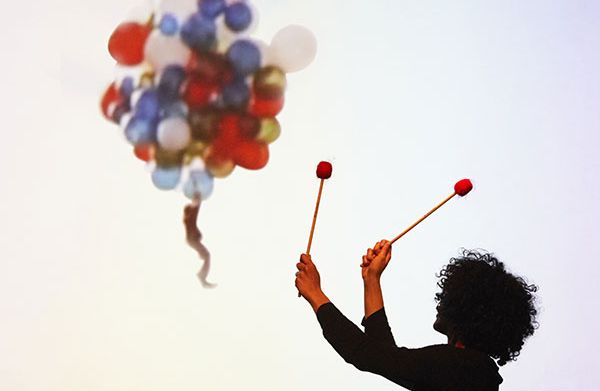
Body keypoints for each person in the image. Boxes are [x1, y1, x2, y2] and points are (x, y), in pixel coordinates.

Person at [295, 240, 538, 390]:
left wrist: (316, 295)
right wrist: (372, 280)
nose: (440, 302)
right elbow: (383, 356)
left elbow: (366, 355)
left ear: (467, 308)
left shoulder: (464, 367)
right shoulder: (468, 373)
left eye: (447, 296)